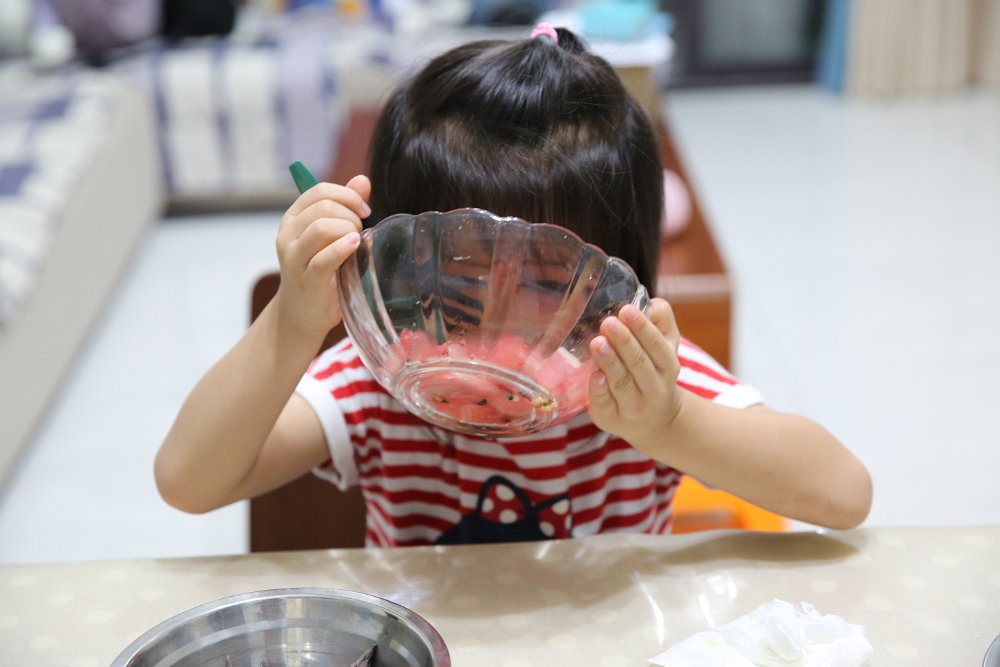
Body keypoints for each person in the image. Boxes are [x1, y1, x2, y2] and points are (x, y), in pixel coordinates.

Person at [155, 25, 872, 546]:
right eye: (462, 275)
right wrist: (293, 319)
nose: (498, 320)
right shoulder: (378, 380)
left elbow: (844, 494)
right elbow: (188, 481)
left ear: (613, 286)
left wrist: (669, 425)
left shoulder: (635, 382)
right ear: (397, 265)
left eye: (547, 282)